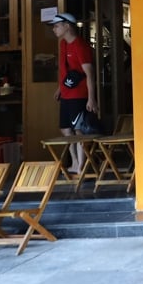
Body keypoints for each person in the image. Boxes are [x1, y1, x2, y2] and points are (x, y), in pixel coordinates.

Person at [50, 12, 98, 174]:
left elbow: (89, 73)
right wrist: (60, 88)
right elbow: (65, 70)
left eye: (56, 26)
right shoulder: (63, 44)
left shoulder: (80, 45)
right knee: (65, 129)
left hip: (79, 94)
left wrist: (91, 98)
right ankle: (75, 161)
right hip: (66, 94)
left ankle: (81, 166)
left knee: (79, 130)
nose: (54, 29)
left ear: (67, 26)